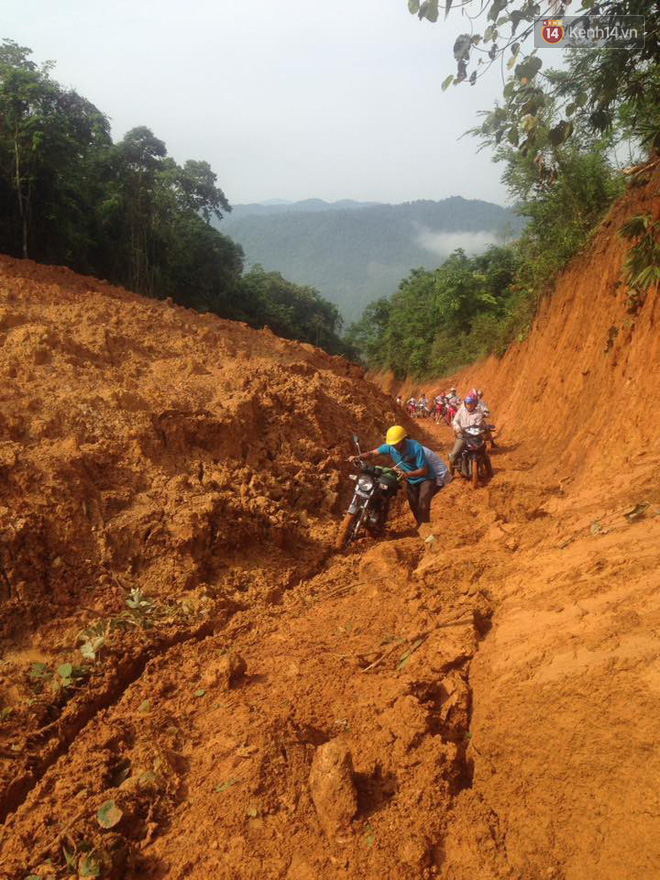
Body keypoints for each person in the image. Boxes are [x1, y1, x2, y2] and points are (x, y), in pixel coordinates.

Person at [351, 425, 439, 526]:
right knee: (413, 505)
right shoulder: (390, 447)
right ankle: (421, 525)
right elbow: (372, 453)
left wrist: (407, 474)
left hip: (426, 478)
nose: (393, 446)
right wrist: (358, 457)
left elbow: (423, 470)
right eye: (392, 444)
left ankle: (427, 531)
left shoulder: (415, 447)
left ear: (403, 440)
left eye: (396, 443)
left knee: (423, 505)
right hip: (410, 479)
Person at [449, 394, 486, 471]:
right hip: (463, 435)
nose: (470, 405)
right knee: (455, 452)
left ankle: (489, 471)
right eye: (468, 403)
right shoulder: (461, 411)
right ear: (465, 403)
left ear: (475, 404)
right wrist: (458, 428)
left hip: (475, 436)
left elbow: (478, 425)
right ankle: (450, 471)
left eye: (472, 403)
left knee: (484, 452)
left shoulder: (479, 413)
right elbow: (455, 421)